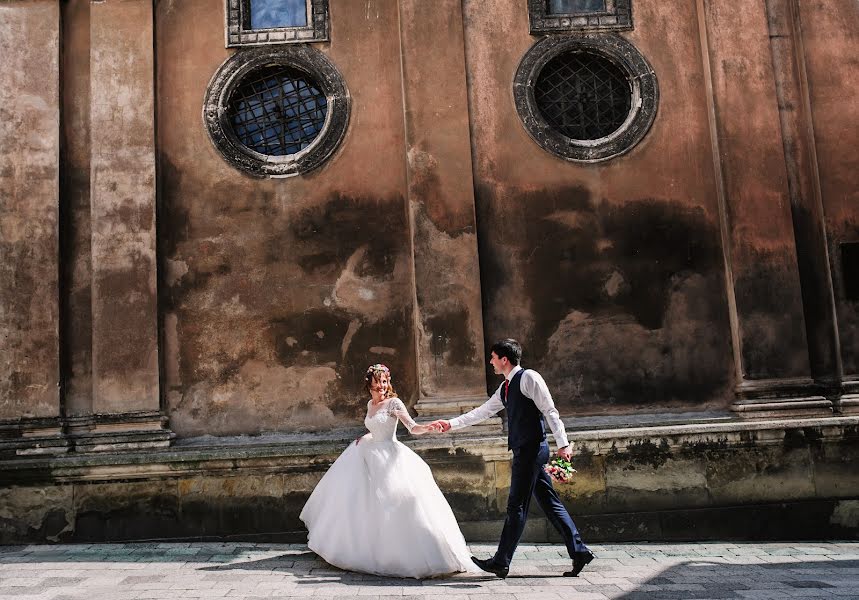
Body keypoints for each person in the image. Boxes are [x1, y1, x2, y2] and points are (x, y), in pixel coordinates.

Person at [430, 339, 594, 579]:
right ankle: (579, 551)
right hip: (524, 450)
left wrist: (563, 444)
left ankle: (501, 561)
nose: (491, 362)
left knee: (516, 506)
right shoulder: (505, 387)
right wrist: (450, 424)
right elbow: (483, 411)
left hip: (531, 451)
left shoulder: (529, 378)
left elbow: (550, 410)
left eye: (493, 357)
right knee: (549, 502)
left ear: (504, 359)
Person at [299, 364, 476, 578]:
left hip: (390, 457)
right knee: (365, 503)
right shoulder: (370, 404)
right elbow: (373, 428)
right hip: (369, 453)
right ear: (370, 384)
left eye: (384, 382)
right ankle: (367, 550)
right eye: (377, 383)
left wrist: (428, 427)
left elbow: (411, 427)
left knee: (397, 503)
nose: (381, 386)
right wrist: (364, 438)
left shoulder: (394, 403)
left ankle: (411, 555)